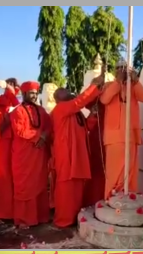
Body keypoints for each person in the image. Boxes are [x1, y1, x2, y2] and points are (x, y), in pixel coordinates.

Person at [50, 75, 106, 227]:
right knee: (66, 189)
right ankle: (63, 220)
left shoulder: (75, 113)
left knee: (77, 189)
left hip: (78, 156)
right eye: (63, 91)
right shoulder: (61, 109)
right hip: (66, 156)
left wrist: (93, 115)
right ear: (57, 99)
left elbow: (85, 127)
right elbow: (79, 102)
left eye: (67, 90)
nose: (67, 91)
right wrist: (93, 86)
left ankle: (74, 218)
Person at [99, 63, 143, 198]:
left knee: (130, 169)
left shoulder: (133, 86)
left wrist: (135, 80)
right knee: (114, 171)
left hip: (131, 135)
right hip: (114, 137)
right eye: (119, 68)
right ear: (115, 71)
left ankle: (130, 197)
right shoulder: (110, 85)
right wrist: (118, 82)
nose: (121, 71)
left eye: (124, 69)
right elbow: (104, 99)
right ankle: (111, 197)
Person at [11, 81, 52, 229]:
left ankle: (41, 216)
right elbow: (20, 131)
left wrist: (44, 137)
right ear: (24, 94)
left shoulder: (41, 111)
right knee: (24, 186)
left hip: (39, 153)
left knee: (40, 183)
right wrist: (39, 137)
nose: (34, 96)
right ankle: (23, 220)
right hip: (23, 154)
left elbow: (49, 126)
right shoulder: (18, 111)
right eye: (31, 93)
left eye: (36, 93)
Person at [0, 78, 20, 224]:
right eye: (11, 86)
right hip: (0, 142)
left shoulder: (10, 101)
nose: (13, 89)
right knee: (2, 177)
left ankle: (9, 211)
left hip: (11, 142)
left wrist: (10, 89)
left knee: (11, 177)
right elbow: (15, 102)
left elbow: (16, 100)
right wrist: (8, 88)